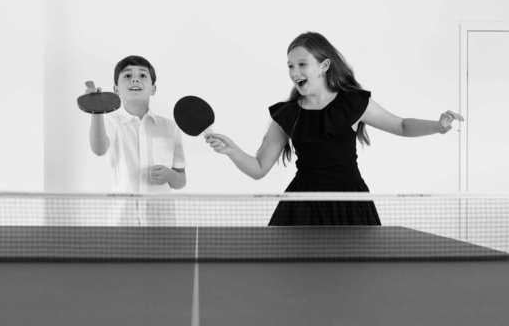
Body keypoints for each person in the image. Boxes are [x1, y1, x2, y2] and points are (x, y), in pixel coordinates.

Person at [205, 32, 463, 226]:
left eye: (302, 64)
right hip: (302, 206)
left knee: (355, 282)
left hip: (351, 203)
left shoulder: (352, 104)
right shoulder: (288, 115)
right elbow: (259, 169)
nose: (295, 72)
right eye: (290, 66)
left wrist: (437, 127)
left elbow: (402, 125)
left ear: (324, 66)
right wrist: (232, 150)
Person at [86, 55, 186, 226]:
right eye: (127, 75)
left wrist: (170, 175)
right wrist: (96, 111)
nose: (135, 79)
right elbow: (99, 149)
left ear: (153, 88)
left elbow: (181, 181)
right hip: (123, 223)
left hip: (162, 225)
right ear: (116, 89)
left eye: (142, 75)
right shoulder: (110, 123)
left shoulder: (171, 127)